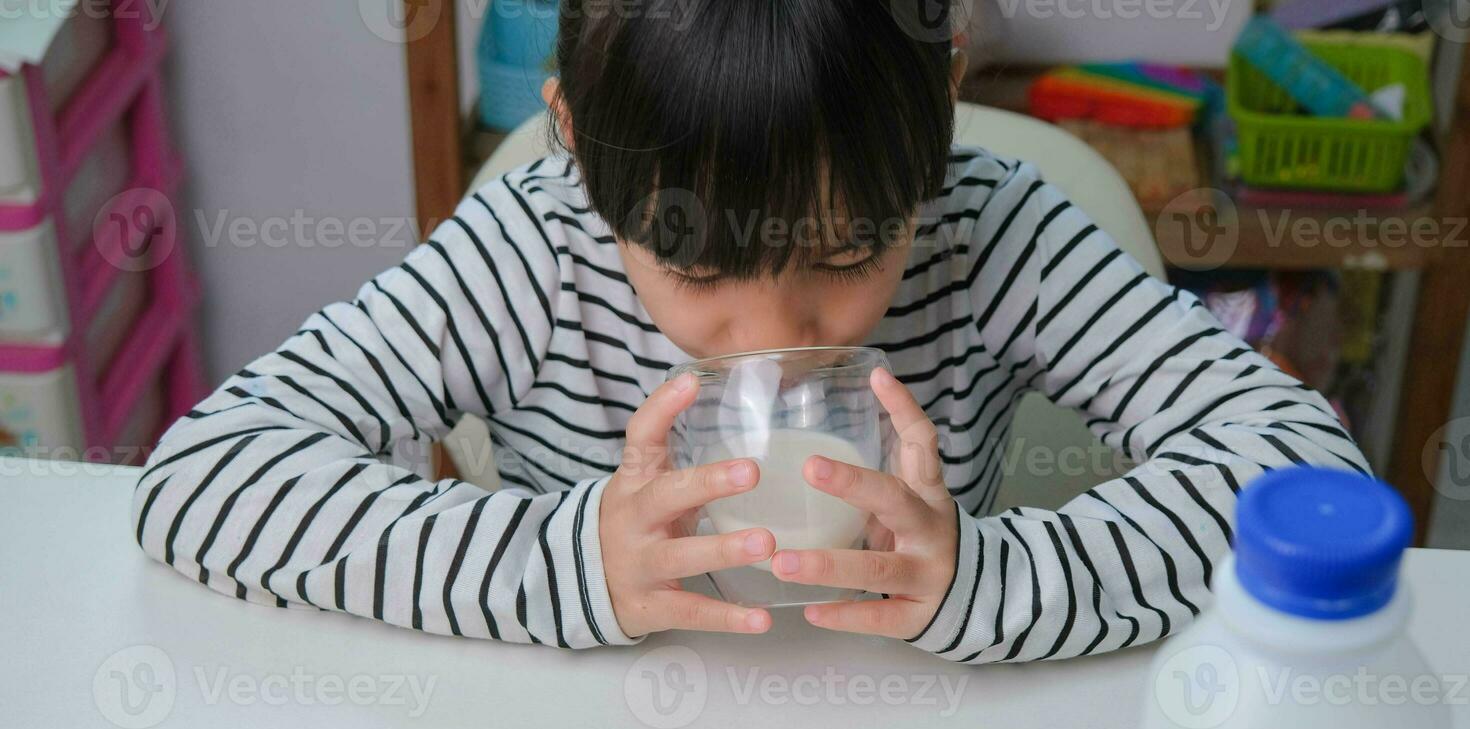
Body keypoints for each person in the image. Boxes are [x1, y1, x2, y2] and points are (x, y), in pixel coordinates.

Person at [131, 0, 1366, 663]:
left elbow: (1308, 470)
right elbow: (204, 475)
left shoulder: (993, 234)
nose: (770, 336)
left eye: (844, 255)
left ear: (940, 110)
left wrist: (998, 575)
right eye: (696, 264)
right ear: (572, 129)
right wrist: (568, 566)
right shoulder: (534, 249)